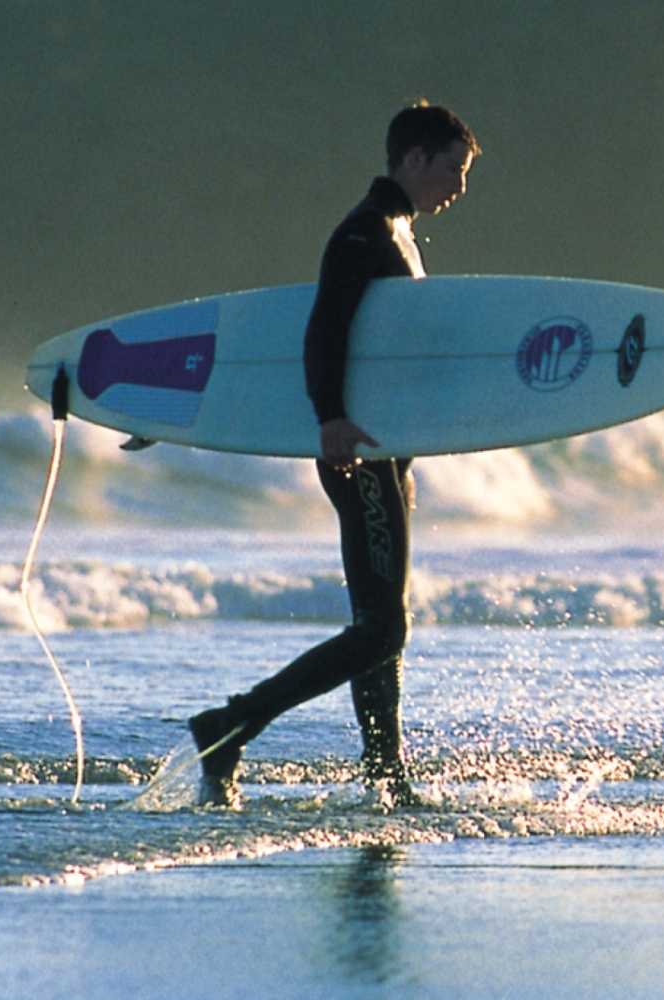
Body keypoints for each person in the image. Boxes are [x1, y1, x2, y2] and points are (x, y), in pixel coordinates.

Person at [188, 102, 478, 809]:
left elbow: (387, 355)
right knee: (384, 626)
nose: (460, 187)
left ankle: (385, 776)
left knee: (381, 624)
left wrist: (405, 454)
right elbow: (325, 331)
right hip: (356, 450)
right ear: (413, 159)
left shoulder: (400, 233)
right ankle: (230, 724)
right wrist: (331, 419)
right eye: (452, 169)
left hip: (384, 455)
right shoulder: (364, 233)